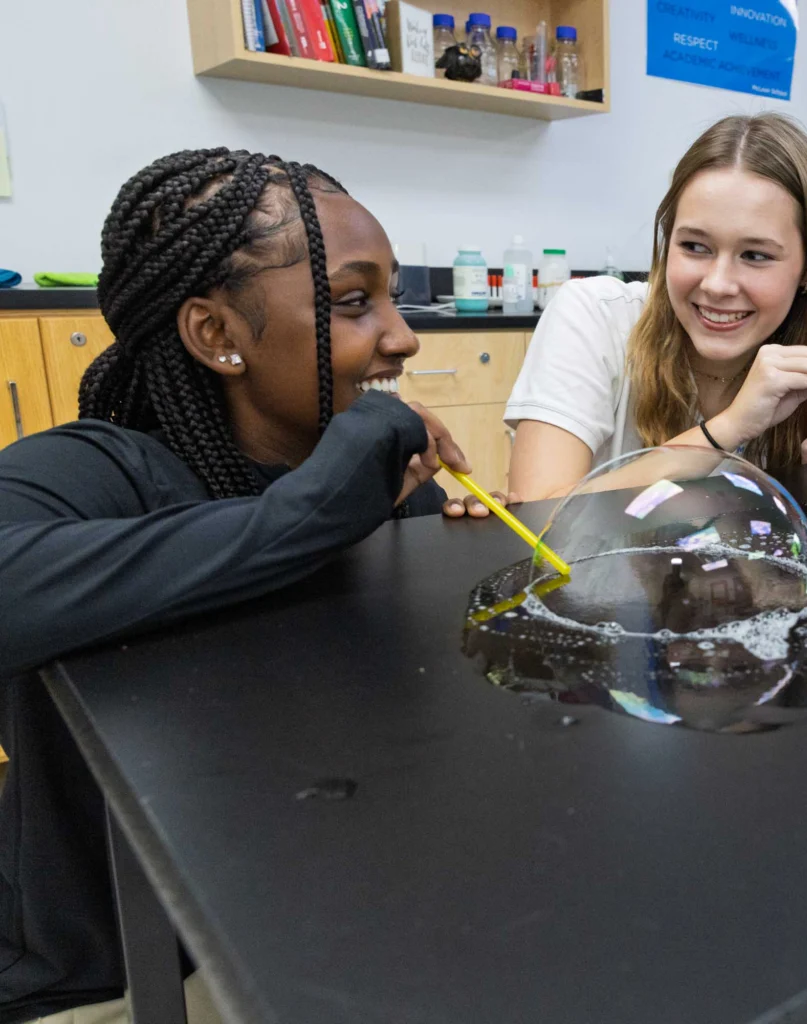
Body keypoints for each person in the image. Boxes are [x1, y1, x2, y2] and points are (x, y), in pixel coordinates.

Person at [0, 148, 472, 1023]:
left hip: (323, 941)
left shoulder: (387, 492)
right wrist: (302, 519)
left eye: (394, 298)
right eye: (352, 302)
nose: (403, 336)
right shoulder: (101, 470)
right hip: (118, 981)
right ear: (217, 336)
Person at [490, 113, 807, 508]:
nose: (717, 284)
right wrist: (727, 428)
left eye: (755, 255)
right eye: (695, 247)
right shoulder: (593, 316)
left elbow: (763, 555)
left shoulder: (800, 374)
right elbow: (539, 518)